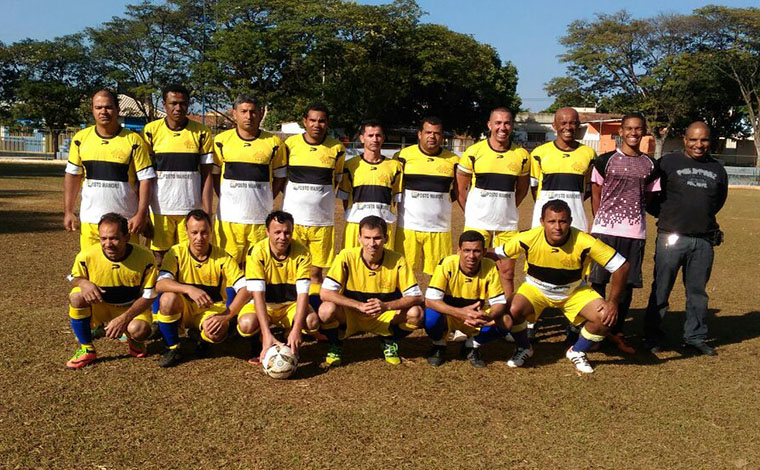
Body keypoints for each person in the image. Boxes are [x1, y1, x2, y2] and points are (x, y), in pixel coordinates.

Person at [496, 199, 629, 374]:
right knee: (511, 310)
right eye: (551, 221)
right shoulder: (527, 237)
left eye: (562, 221)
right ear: (542, 221)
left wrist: (612, 302)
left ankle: (577, 350)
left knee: (606, 317)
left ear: (570, 221)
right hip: (536, 289)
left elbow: (621, 266)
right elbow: (496, 253)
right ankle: (524, 348)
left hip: (573, 291)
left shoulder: (584, 240)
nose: (557, 227)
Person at [643, 121, 728, 356]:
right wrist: (668, 217)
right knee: (661, 289)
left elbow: (718, 201)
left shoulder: (718, 169)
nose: (699, 145)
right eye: (693, 140)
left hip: (703, 241)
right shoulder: (668, 162)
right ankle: (653, 337)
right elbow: (651, 195)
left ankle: (695, 337)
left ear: (710, 141)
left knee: (697, 293)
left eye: (704, 140)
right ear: (684, 140)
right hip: (671, 237)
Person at [589, 113, 660, 354]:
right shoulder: (604, 161)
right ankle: (596, 330)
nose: (633, 133)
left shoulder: (651, 165)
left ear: (644, 131)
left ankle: (617, 333)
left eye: (638, 129)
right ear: (620, 131)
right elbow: (596, 192)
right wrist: (601, 220)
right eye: (628, 128)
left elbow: (648, 197)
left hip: (633, 232)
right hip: (605, 231)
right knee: (598, 281)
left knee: (626, 286)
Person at [527, 107, 596, 340]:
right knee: (536, 267)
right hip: (545, 222)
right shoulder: (539, 153)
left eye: (573, 123)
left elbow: (587, 189)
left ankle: (574, 322)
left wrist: (572, 206)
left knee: (577, 269)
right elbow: (535, 188)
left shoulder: (588, 154)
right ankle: (532, 319)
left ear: (579, 126)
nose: (568, 127)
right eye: (563, 123)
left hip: (575, 221)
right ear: (554, 126)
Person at [318, 216, 424, 366]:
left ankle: (388, 340)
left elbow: (416, 297)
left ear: (386, 238)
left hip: (383, 315)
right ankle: (336, 343)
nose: (372, 244)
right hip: (351, 314)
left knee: (416, 313)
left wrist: (386, 307)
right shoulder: (346, 257)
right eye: (367, 238)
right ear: (359, 238)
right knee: (325, 310)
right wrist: (358, 305)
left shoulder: (398, 260)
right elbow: (325, 293)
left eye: (377, 238)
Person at [154, 210, 250, 367]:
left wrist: (227, 316)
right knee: (168, 298)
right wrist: (189, 289)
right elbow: (160, 284)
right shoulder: (176, 252)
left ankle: (200, 336)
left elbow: (246, 289)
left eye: (204, 232)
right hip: (183, 308)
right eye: (194, 232)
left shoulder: (223, 257)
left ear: (211, 231)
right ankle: (172, 348)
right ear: (186, 231)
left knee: (216, 334)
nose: (199, 238)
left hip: (209, 310)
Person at [64, 89, 155, 249]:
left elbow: (146, 180)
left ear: (118, 110)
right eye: (98, 107)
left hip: (126, 222)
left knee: (127, 270)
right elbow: (73, 176)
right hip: (91, 220)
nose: (103, 111)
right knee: (92, 270)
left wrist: (141, 214)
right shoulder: (80, 139)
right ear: (92, 110)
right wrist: (68, 211)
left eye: (108, 107)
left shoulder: (134, 141)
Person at [64, 213, 157, 369]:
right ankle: (87, 349)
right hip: (100, 306)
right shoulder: (87, 255)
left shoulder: (145, 257)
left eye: (114, 238)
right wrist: (83, 283)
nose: (108, 244)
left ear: (127, 237)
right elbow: (73, 277)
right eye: (103, 238)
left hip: (128, 307)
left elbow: (149, 296)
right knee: (77, 296)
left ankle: (133, 340)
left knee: (140, 330)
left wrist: (124, 318)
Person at [456, 107, 529, 296]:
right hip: (477, 223)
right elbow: (460, 189)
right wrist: (472, 212)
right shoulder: (474, 151)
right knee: (471, 270)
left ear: (512, 126)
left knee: (506, 272)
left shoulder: (522, 155)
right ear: (489, 125)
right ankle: (469, 316)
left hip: (507, 224)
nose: (502, 127)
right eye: (498, 123)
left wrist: (506, 208)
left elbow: (521, 190)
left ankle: (504, 320)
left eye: (506, 123)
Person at [282, 103, 346, 312]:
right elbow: (282, 179)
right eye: (313, 120)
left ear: (327, 123)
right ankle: (292, 315)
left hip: (322, 222)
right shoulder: (290, 144)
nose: (317, 124)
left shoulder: (337, 149)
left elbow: (335, 180)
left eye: (322, 121)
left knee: (316, 273)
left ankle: (315, 316)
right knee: (291, 271)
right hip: (294, 222)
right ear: (305, 121)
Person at [142, 84, 215, 264]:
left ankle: (185, 291)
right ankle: (161, 291)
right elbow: (144, 175)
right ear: (164, 104)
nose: (178, 108)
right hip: (160, 208)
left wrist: (207, 210)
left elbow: (207, 175)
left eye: (183, 104)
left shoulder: (202, 133)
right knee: (159, 256)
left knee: (190, 256)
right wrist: (143, 212)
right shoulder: (151, 131)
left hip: (190, 207)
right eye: (173, 103)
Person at [212, 94, 287, 265]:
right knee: (228, 267)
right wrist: (224, 196)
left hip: (260, 219)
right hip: (229, 219)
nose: (248, 116)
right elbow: (215, 175)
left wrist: (266, 197)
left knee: (257, 266)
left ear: (260, 114)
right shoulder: (221, 141)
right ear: (234, 114)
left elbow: (280, 177)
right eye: (243, 111)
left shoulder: (274, 143)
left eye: (253, 112)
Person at [237, 211, 320, 364]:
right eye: (277, 232)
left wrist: (296, 330)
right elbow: (258, 295)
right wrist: (266, 332)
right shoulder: (256, 252)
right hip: (266, 305)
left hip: (290, 306)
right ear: (267, 232)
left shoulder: (303, 253)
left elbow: (302, 295)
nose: (282, 237)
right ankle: (260, 343)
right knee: (246, 324)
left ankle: (288, 339)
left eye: (287, 232)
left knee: (311, 321)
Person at [424, 230, 511, 368]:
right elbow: (430, 300)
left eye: (476, 251)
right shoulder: (447, 264)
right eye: (467, 250)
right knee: (430, 315)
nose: (471, 256)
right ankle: (438, 345)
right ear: (458, 250)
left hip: (474, 318)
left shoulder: (490, 266)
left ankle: (471, 346)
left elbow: (499, 303)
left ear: (484, 251)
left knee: (505, 321)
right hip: (449, 316)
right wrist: (461, 313)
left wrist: (488, 316)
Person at [394, 116, 460, 276]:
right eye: (428, 132)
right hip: (408, 228)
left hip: (439, 229)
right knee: (404, 274)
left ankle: (434, 302)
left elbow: (457, 191)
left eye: (436, 133)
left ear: (442, 136)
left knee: (440, 275)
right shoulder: (402, 156)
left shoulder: (453, 160)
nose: (432, 137)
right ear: (419, 134)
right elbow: (395, 188)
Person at [337, 120, 402, 250]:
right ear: (362, 138)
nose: (375, 139)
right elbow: (345, 199)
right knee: (352, 266)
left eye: (378, 135)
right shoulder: (350, 166)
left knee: (384, 268)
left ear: (383, 138)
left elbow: (395, 199)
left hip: (383, 226)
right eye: (370, 135)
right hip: (356, 226)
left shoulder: (395, 167)